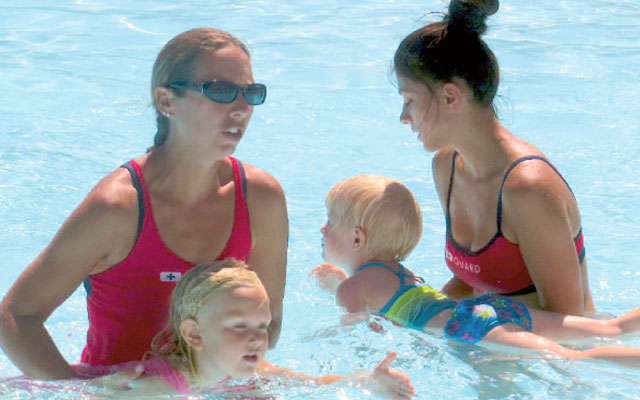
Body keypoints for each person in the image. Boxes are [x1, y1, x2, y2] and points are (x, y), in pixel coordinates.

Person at [0, 28, 288, 380]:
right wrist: (84, 392)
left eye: (251, 93)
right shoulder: (118, 208)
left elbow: (267, 326)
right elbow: (15, 317)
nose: (242, 108)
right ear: (167, 101)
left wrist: (181, 384)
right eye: (222, 91)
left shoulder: (262, 199)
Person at [392, 0, 594, 315]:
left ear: (450, 96)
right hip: (491, 345)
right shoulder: (446, 168)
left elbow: (571, 324)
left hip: (544, 359)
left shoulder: (527, 190)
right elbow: (471, 282)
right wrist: (412, 315)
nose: (404, 117)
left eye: (409, 100)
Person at [311, 175, 640, 367]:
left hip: (468, 326)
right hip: (486, 309)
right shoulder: (398, 271)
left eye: (330, 221)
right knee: (611, 328)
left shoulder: (351, 290)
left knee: (574, 359)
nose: (323, 229)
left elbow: (358, 331)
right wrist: (341, 283)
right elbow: (383, 297)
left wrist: (321, 337)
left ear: (357, 237)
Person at [90, 259, 414, 398]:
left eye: (263, 324)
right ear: (195, 334)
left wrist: (368, 383)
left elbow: (312, 385)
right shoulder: (161, 384)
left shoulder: (249, 370)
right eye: (240, 326)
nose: (258, 337)